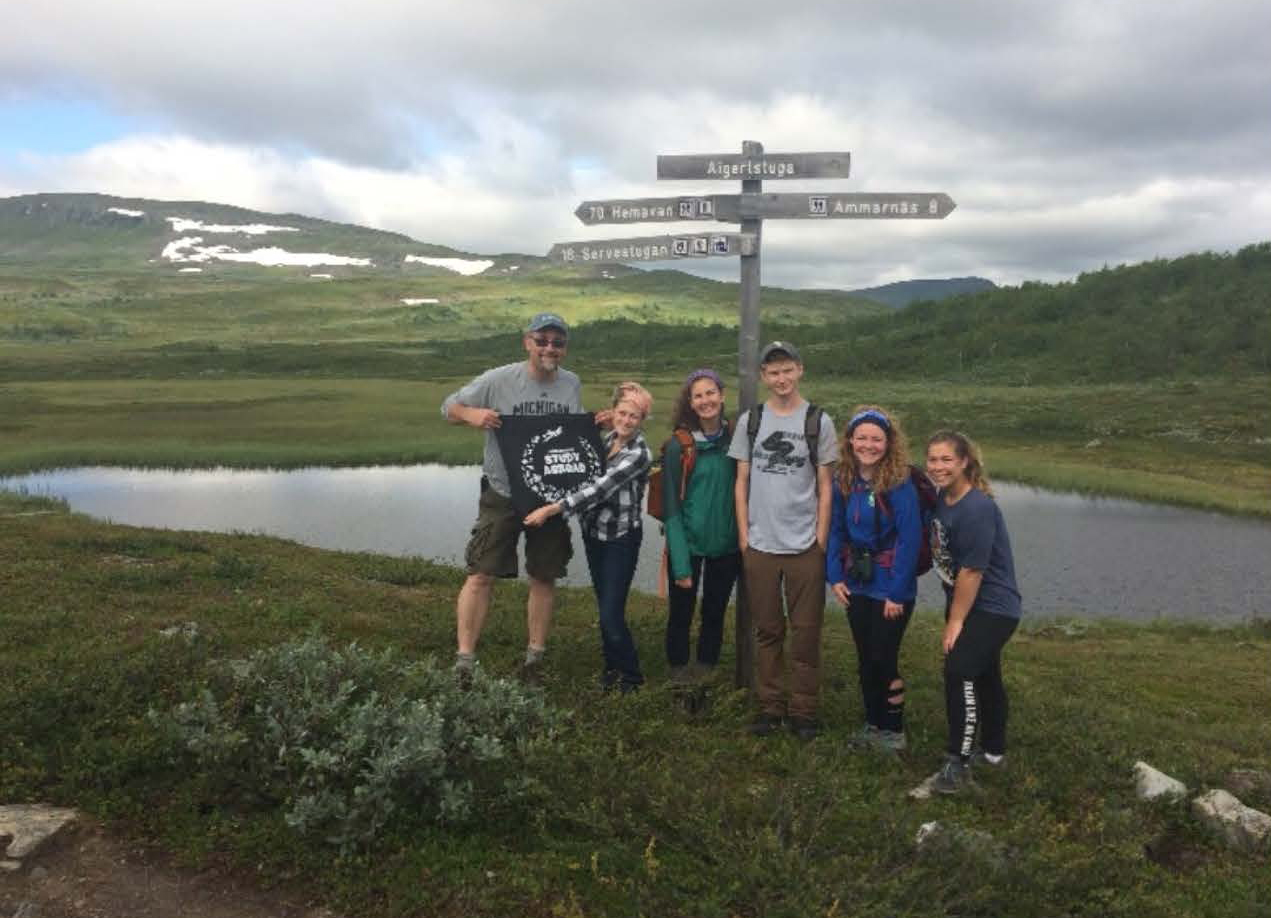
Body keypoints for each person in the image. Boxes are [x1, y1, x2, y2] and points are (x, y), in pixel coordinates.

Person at [441, 312, 581, 685]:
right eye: (543, 340)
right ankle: (465, 660)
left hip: (547, 497)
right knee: (480, 574)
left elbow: (570, 436)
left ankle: (534, 658)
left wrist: (592, 425)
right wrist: (472, 414)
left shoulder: (571, 384)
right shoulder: (498, 379)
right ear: (527, 342)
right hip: (502, 491)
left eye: (558, 342)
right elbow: (449, 407)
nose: (550, 348)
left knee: (543, 574)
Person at [728, 341, 838, 740]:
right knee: (768, 631)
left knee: (806, 633)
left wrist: (820, 540)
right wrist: (744, 536)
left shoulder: (818, 422)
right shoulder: (750, 421)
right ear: (763, 377)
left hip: (805, 547)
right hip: (759, 545)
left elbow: (826, 486)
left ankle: (804, 711)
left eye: (787, 370)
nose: (781, 379)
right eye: (773, 372)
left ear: (800, 370)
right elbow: (741, 482)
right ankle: (770, 707)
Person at [524, 382, 654, 692]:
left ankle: (631, 679)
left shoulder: (639, 454)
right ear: (613, 412)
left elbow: (597, 490)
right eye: (622, 413)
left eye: (634, 416)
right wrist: (590, 429)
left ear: (642, 419)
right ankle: (611, 670)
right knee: (604, 606)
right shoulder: (606, 440)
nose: (626, 420)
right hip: (594, 534)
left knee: (611, 613)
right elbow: (579, 469)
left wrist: (551, 510)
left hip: (620, 539)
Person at [925, 430, 1022, 794]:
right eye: (933, 459)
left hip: (992, 607)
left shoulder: (977, 507)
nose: (938, 467)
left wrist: (956, 620)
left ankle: (959, 763)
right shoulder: (943, 499)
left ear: (964, 462)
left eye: (946, 459)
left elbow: (972, 571)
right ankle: (994, 752)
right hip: (969, 604)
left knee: (959, 670)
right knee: (985, 675)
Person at [826, 405, 922, 753]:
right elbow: (836, 529)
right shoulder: (845, 479)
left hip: (890, 587)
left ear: (888, 442)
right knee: (865, 656)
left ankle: (893, 729)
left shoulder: (899, 483)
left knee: (883, 657)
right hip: (857, 582)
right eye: (862, 437)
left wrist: (897, 593)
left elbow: (911, 540)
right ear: (850, 440)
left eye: (876, 439)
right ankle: (873, 723)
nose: (868, 444)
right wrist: (834, 576)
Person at [661, 368, 741, 681]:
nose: (706, 400)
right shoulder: (678, 446)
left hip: (727, 546)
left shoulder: (736, 441)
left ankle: (705, 673)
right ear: (690, 403)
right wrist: (680, 563)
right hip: (689, 547)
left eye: (711, 393)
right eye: (698, 396)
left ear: (722, 396)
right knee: (681, 614)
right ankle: (679, 676)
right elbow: (671, 509)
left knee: (714, 613)